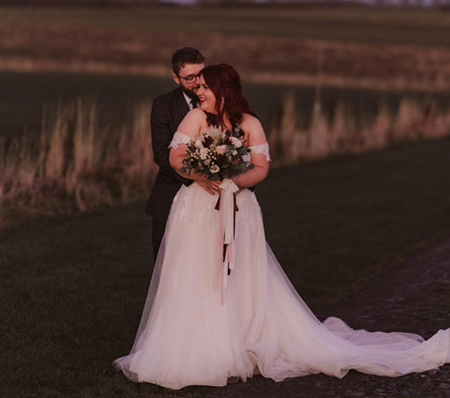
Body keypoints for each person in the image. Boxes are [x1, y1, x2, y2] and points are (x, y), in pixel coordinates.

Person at [115, 64, 450, 390]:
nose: (197, 92)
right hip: (197, 207)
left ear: (222, 91)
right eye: (196, 86)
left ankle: (243, 335)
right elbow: (176, 158)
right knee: (193, 269)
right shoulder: (195, 118)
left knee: (241, 271)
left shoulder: (249, 123)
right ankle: (187, 344)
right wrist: (203, 175)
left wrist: (233, 180)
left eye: (204, 87)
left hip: (238, 205)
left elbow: (260, 168)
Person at [145, 47, 221, 261]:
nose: (197, 82)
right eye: (189, 78)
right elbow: (161, 154)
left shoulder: (220, 101)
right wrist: (196, 176)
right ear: (176, 79)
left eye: (200, 74)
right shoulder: (163, 105)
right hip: (171, 192)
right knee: (167, 264)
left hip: (214, 195)